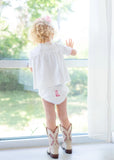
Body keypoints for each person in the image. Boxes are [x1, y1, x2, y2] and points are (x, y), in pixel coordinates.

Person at [29, 16, 77, 159]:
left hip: (46, 89)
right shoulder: (58, 47)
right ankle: (68, 145)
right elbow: (73, 52)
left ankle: (54, 147)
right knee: (63, 116)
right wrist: (72, 47)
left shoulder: (34, 53)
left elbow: (32, 69)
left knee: (50, 118)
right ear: (51, 32)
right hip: (60, 87)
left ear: (35, 35)